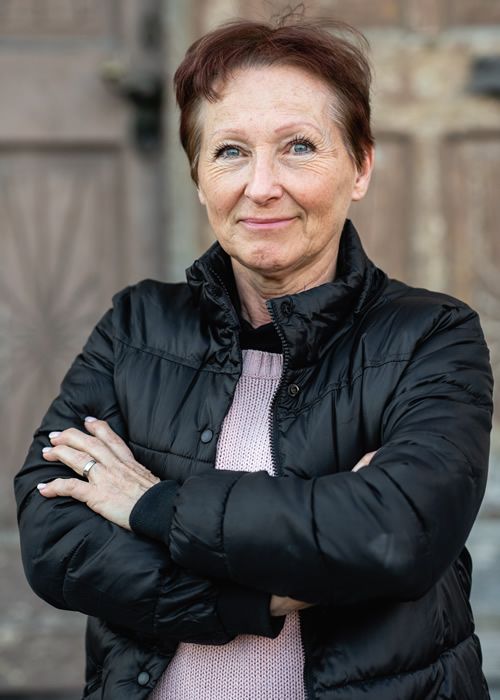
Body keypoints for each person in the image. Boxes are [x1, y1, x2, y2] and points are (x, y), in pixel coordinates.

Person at [14, 15, 493, 700]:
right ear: (198, 175)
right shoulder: (136, 327)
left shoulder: (430, 335)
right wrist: (262, 597)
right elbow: (54, 540)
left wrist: (149, 505)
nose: (261, 185)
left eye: (299, 147)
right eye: (231, 151)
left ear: (360, 166)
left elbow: (394, 536)